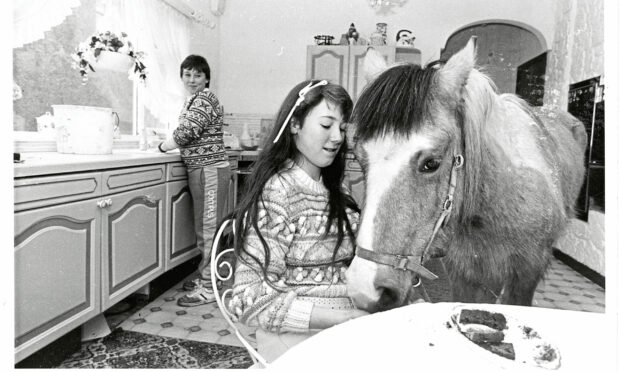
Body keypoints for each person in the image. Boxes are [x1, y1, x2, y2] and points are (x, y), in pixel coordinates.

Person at [228, 80, 369, 362]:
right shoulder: (278, 192)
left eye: (342, 129)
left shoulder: (336, 189)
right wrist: (341, 319)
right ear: (295, 125)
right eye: (326, 125)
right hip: (296, 338)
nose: (338, 137)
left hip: (342, 327)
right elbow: (249, 300)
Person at [158, 54, 231, 307]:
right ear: (181, 77)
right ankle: (209, 275)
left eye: (197, 75)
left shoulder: (205, 98)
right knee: (206, 228)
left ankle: (209, 286)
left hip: (209, 171)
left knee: (208, 229)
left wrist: (162, 146)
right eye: (187, 74)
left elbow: (187, 131)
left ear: (206, 78)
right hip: (204, 170)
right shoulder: (193, 101)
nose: (192, 79)